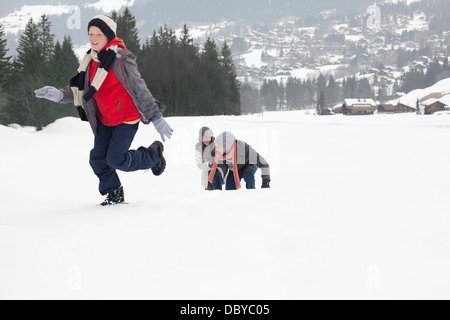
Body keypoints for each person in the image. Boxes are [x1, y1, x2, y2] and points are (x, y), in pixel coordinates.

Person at [34, 15, 174, 206]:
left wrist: (156, 117)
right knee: (98, 159)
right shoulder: (90, 61)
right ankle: (113, 192)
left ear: (108, 35)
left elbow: (140, 88)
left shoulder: (121, 59)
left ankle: (153, 155)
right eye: (91, 33)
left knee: (116, 159)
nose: (93, 38)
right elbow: (81, 89)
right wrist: (58, 95)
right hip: (105, 120)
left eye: (98, 34)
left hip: (126, 119)